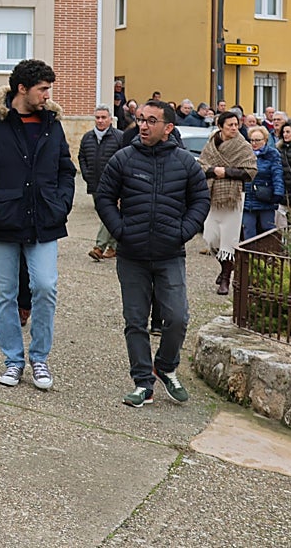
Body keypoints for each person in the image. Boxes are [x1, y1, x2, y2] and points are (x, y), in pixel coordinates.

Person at [0, 59, 75, 391]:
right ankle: (13, 360)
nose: (47, 95)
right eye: (42, 88)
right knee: (4, 295)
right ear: (21, 89)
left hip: (44, 221)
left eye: (49, 88)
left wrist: (61, 203)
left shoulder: (52, 124)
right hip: (1, 222)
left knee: (44, 287)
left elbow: (66, 169)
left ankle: (40, 359)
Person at [95, 100, 209, 408]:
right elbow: (104, 196)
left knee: (177, 318)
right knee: (135, 320)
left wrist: (183, 231)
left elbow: (200, 199)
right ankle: (143, 383)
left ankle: (166, 365)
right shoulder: (123, 159)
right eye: (141, 119)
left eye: (151, 121)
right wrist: (120, 230)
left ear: (168, 127)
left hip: (170, 253)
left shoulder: (185, 162)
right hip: (132, 255)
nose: (143, 125)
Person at [198, 111, 256, 295]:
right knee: (211, 237)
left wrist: (228, 172)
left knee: (228, 240)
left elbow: (250, 172)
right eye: (230, 125)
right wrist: (215, 170)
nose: (234, 128)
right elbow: (201, 165)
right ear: (220, 126)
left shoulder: (243, 146)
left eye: (236, 124)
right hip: (213, 195)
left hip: (233, 198)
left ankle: (225, 278)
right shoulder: (211, 143)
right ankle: (226, 268)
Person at [79, 105, 124, 261]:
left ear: (110, 119)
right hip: (95, 184)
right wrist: (86, 175)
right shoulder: (87, 138)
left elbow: (125, 160)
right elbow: (81, 157)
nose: (100, 120)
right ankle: (114, 247)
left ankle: (99, 247)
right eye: (97, 117)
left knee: (107, 214)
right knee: (106, 215)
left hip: (114, 185)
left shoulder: (119, 137)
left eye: (103, 117)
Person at [242, 125, 285, 241]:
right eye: (252, 140)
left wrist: (278, 193)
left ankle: (270, 255)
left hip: (265, 196)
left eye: (257, 140)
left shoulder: (272, 154)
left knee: (268, 229)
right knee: (248, 228)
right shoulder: (245, 154)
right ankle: (250, 256)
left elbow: (277, 174)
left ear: (265, 140)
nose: (254, 143)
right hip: (248, 198)